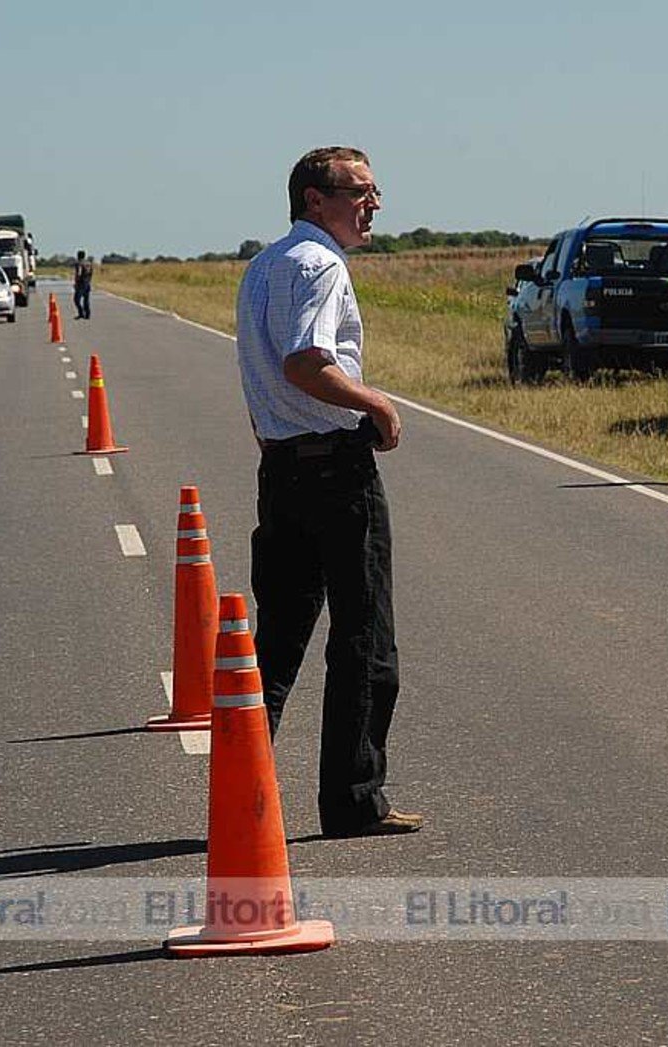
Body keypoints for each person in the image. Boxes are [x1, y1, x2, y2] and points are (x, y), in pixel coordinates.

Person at [234, 146, 420, 837]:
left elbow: (263, 376)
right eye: (359, 192)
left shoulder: (263, 265)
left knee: (276, 644)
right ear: (315, 199)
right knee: (364, 641)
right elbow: (306, 364)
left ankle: (240, 792)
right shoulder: (320, 265)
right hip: (337, 471)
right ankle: (352, 798)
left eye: (375, 192)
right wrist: (377, 404)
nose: (373, 205)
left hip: (281, 468)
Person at [72, 250, 94, 319]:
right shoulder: (89, 263)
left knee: (76, 299)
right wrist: (89, 280)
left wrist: (76, 283)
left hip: (81, 283)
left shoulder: (79, 263)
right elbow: (91, 273)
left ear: (78, 256)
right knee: (86, 300)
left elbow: (79, 273)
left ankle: (81, 313)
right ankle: (87, 314)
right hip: (87, 283)